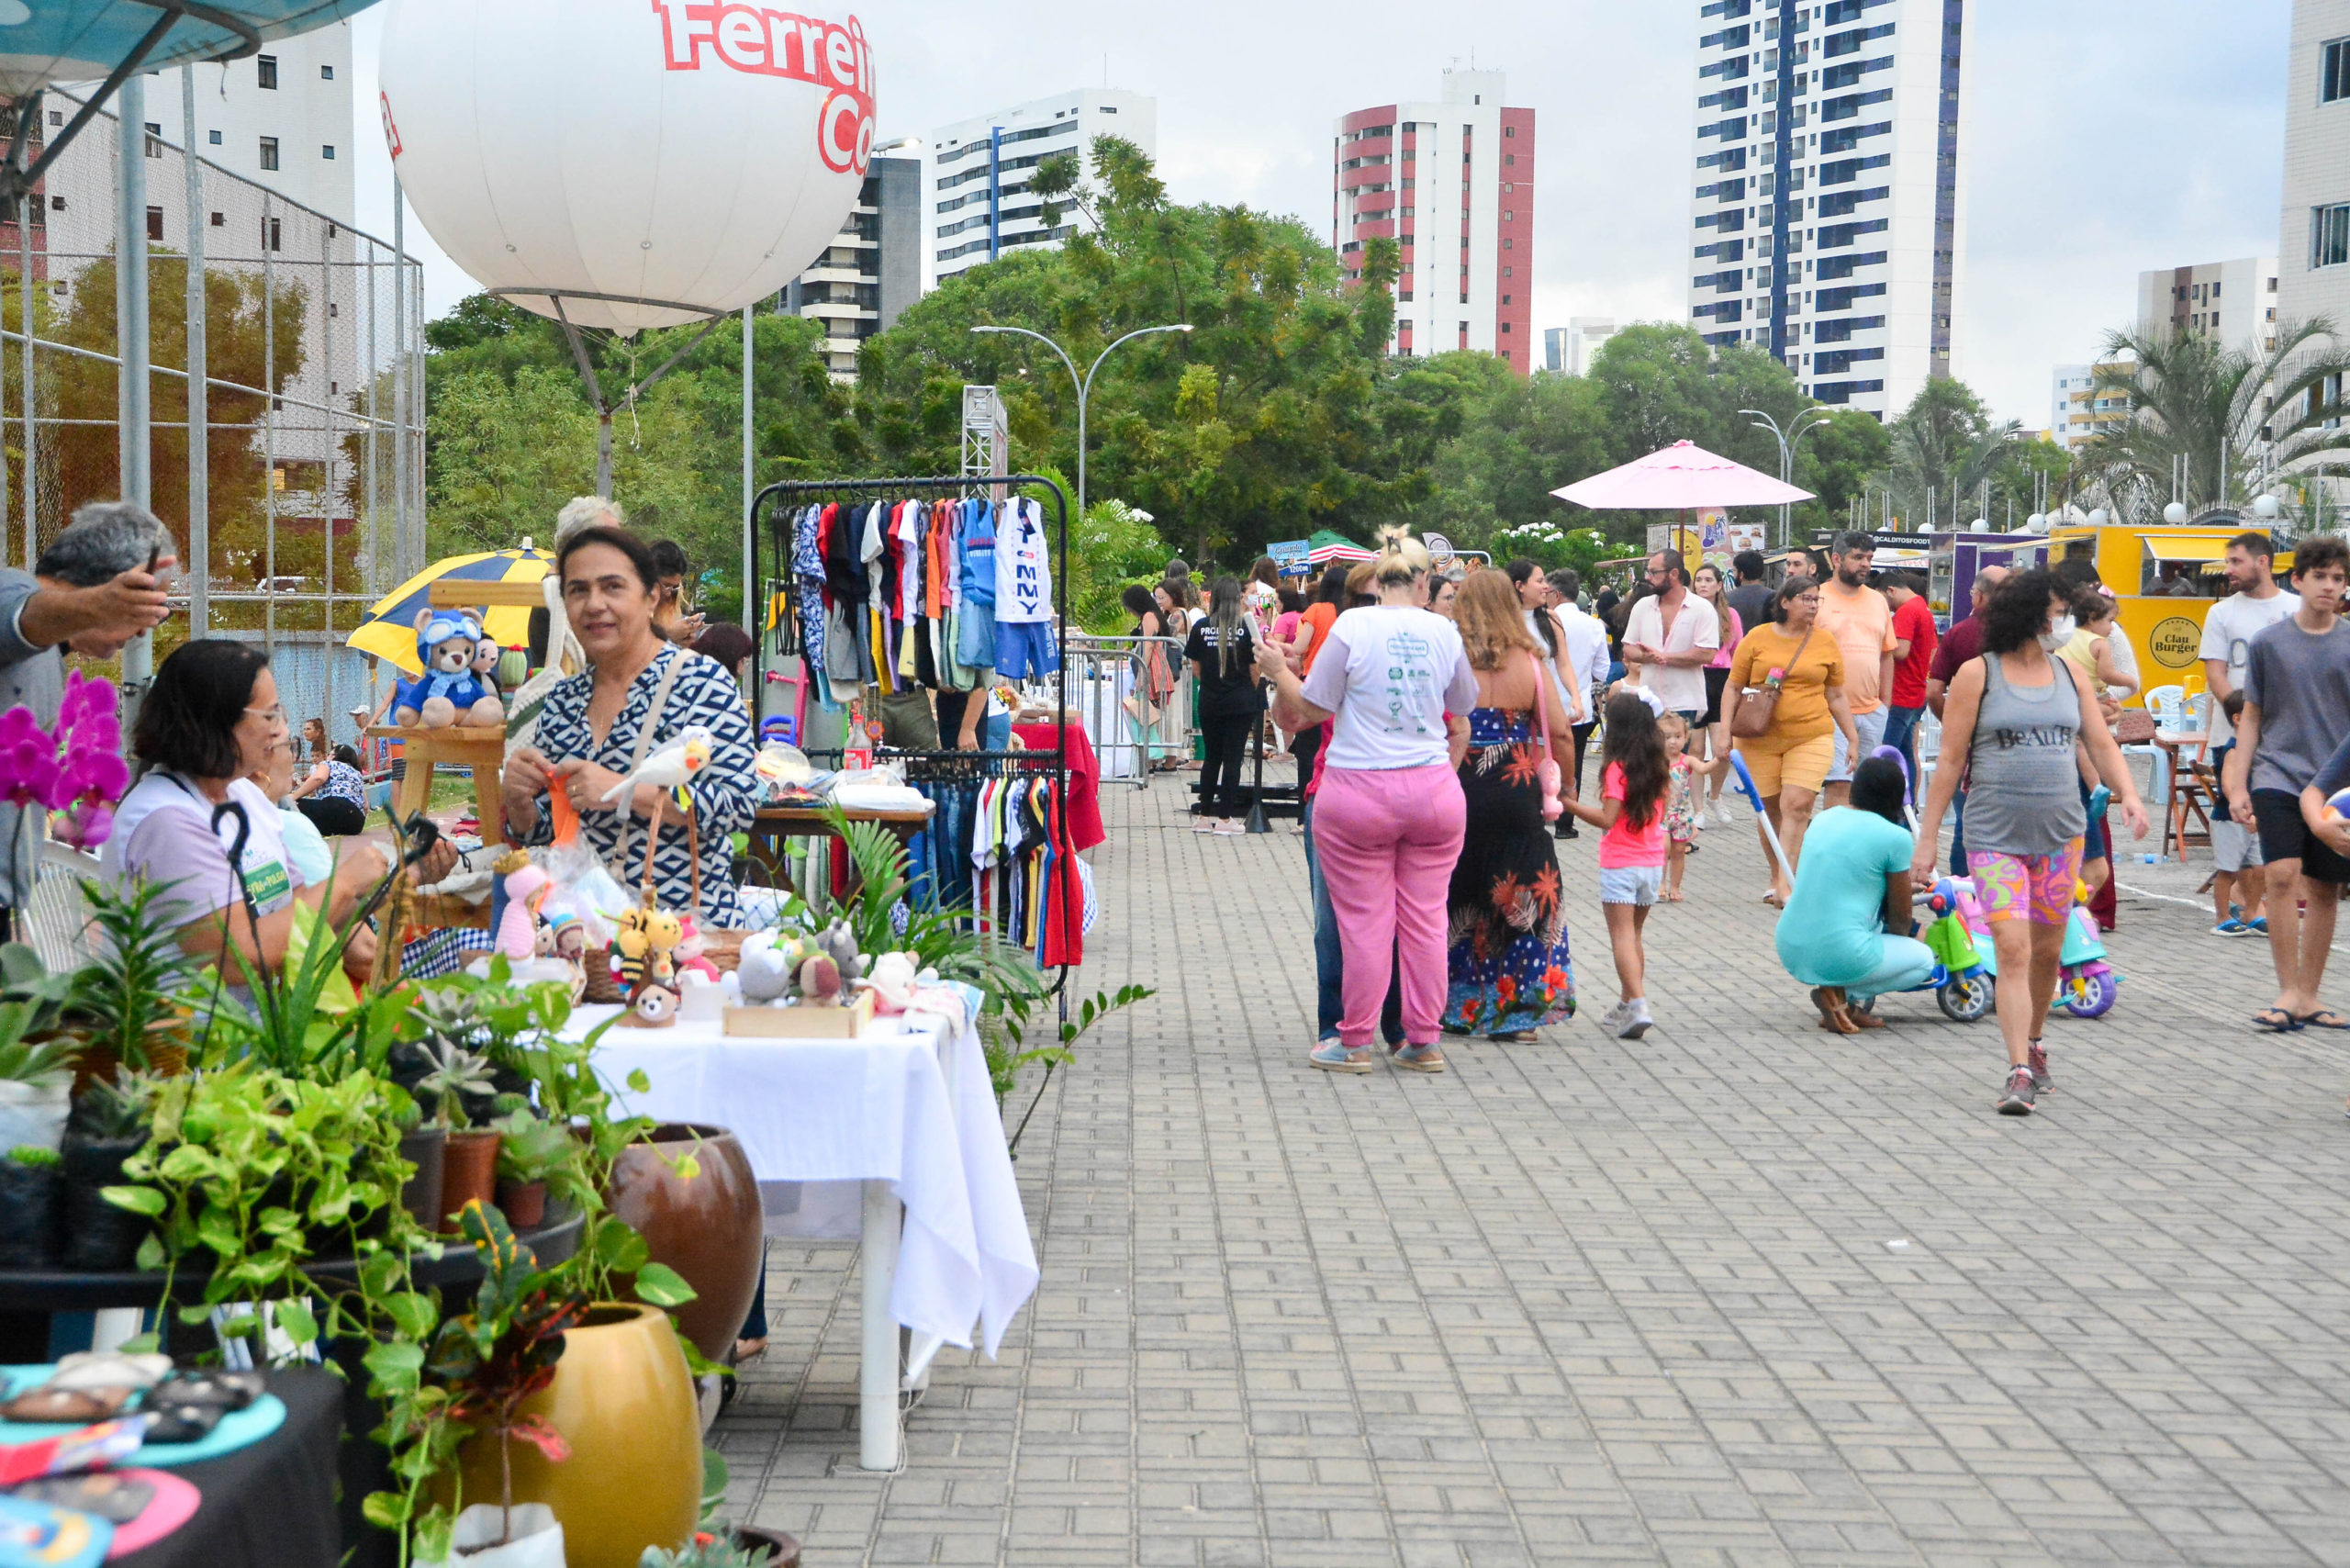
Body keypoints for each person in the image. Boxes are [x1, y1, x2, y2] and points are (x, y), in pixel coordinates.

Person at [1913, 569, 2150, 1114]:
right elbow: (1949, 761)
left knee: (2047, 952)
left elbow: (2099, 742)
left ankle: (2036, 1042)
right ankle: (2018, 1067)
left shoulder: (2070, 673)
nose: (2064, 622)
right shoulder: (1979, 674)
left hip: (2059, 836)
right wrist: (1927, 842)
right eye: (2058, 612)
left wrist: (2130, 794)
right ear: (2029, 615)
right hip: (1994, 834)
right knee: (2013, 950)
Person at [97, 640, 447, 990]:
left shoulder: (243, 795)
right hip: (194, 1038)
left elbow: (301, 913)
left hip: (261, 1026)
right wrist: (345, 881)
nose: (281, 729)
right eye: (270, 714)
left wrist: (401, 876)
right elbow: (238, 960)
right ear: (215, 721)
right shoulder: (166, 820)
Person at [1258, 531, 1474, 1073]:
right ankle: (1422, 1039)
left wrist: (1277, 670)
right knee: (1426, 920)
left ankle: (1353, 1041)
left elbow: (1312, 706)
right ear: (1426, 582)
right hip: (1432, 790)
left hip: (1358, 790)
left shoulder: (1353, 625)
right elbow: (1464, 702)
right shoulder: (1444, 630)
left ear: (1378, 581)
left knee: (1364, 923)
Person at [502, 527, 760, 925]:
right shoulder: (563, 701)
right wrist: (520, 806)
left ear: (651, 596)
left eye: (613, 587)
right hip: (584, 939)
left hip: (684, 941)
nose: (594, 604)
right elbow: (552, 835)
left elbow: (737, 807)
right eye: (578, 590)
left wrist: (625, 792)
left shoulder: (700, 683)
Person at [0, 500, 178, 918]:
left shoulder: (51, 660)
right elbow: (21, 618)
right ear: (104, 585)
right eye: (139, 606)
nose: (141, 629)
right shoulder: (10, 588)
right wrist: (95, 606)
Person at [1437, 571, 1578, 1041]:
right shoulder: (1532, 663)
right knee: (1523, 894)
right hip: (1516, 785)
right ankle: (1517, 1016)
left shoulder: (1448, 658)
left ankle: (1457, 1005)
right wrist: (1568, 789)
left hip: (1457, 781)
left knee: (1458, 891)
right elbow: (1558, 732)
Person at [2221, 534, 2350, 1032]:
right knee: (2280, 874)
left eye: (2338, 579)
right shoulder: (2268, 643)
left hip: (2335, 784)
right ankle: (2287, 990)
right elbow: (2251, 717)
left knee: (2324, 886)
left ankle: (2310, 996)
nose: (2330, 587)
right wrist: (2238, 784)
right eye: (2320, 576)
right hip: (2277, 774)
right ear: (2297, 580)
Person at [1722, 578, 1861, 907]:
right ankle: (1778, 875)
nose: (1813, 605)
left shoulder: (1825, 642)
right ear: (1784, 602)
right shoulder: (1757, 638)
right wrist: (1723, 731)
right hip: (1758, 738)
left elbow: (1837, 694)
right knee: (1770, 812)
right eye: (1806, 599)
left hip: (1810, 735)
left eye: (1817, 600)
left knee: (1797, 805)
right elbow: (1733, 687)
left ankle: (1788, 884)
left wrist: (1852, 737)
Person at [1777, 755, 1933, 1034]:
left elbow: (1845, 877)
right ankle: (1841, 994)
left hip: (1790, 943)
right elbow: (1899, 919)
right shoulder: (1895, 836)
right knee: (1923, 959)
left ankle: (1841, 1003)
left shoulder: (1825, 818)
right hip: (1841, 951)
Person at [1564, 690, 1671, 1039]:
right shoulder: (1659, 765)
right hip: (1652, 862)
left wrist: (1570, 804)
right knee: (1635, 935)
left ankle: (1638, 1003)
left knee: (1621, 937)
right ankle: (1627, 1002)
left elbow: (1608, 819)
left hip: (1620, 862)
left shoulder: (1616, 768)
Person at [1927, 564, 2007, 872]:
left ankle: (1963, 898)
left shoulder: (1960, 634)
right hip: (2016, 748)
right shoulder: (2029, 639)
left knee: (1966, 825)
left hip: (1970, 746)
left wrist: (1955, 725)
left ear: (1978, 597)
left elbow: (1934, 692)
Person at [1814, 532, 1897, 810]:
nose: (1865, 564)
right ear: (1837, 559)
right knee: (1839, 784)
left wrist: (1884, 704)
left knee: (1865, 788)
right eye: (1858, 557)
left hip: (1871, 712)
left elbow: (1887, 653)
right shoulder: (1818, 599)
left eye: (1869, 558)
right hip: (1830, 711)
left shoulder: (1877, 601)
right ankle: (1836, 850)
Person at [1184, 577, 1263, 835]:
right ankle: (1226, 817)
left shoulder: (1201, 627)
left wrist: (1212, 684)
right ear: (1237, 598)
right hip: (1240, 701)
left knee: (1212, 758)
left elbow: (1195, 667)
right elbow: (1255, 670)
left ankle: (1204, 816)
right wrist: (1249, 691)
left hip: (1210, 699)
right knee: (1233, 759)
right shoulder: (1245, 628)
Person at [2201, 532, 2299, 718]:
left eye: (2236, 561)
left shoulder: (2298, 608)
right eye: (2228, 562)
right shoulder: (2220, 612)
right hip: (2231, 730)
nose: (2228, 570)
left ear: (2262, 562)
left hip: (2286, 729)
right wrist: (2241, 716)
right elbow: (2215, 675)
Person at [1623, 553, 1720, 727]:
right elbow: (1628, 648)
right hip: (1648, 700)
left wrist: (1665, 658)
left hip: (1684, 701)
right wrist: (1649, 657)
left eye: (1654, 572)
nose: (1648, 577)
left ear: (1673, 574)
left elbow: (1707, 654)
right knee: (1646, 754)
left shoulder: (1701, 608)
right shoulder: (1642, 606)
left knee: (1677, 754)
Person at [1548, 569, 1610, 823]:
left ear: (1557, 594)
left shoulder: (1544, 621)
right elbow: (1602, 670)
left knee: (1543, 760)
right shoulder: (1594, 625)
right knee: (1574, 764)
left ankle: (1544, 812)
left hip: (1545, 705)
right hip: (1578, 706)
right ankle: (1567, 821)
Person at [2205, 690, 2268, 938]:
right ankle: (2222, 916)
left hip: (2252, 819)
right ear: (2238, 718)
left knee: (2260, 868)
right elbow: (2230, 787)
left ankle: (2251, 912)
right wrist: (2244, 812)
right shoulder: (2233, 749)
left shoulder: (2255, 747)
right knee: (2228, 871)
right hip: (2230, 820)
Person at [1691, 564, 1743, 823]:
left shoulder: (1730, 615)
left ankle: (1715, 795)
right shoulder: (1687, 612)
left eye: (1708, 580)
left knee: (1723, 748)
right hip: (1694, 678)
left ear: (1719, 585)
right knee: (1696, 749)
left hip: (1721, 679)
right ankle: (1698, 808)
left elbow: (1739, 651)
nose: (1702, 584)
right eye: (1698, 580)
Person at [1881, 571, 1938, 790]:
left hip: (1901, 694)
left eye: (1885, 601)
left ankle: (1891, 808)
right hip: (1915, 692)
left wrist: (1876, 644)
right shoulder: (1922, 607)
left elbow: (1901, 651)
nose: (1887, 608)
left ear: (1891, 591)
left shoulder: (1907, 611)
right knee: (1906, 754)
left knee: (1886, 755)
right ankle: (1908, 810)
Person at [1657, 712, 1700, 902]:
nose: (1672, 742)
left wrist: (1719, 759)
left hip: (1682, 816)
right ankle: (1660, 884)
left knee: (1679, 852)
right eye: (1666, 737)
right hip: (1661, 815)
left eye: (1677, 737)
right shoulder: (1657, 761)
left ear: (1686, 737)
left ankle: (1675, 886)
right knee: (1663, 849)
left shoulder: (1687, 761)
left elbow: (1704, 769)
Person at [288, 744, 370, 836]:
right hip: (356, 823)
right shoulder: (356, 773)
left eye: (329, 754)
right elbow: (366, 806)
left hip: (336, 807)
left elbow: (319, 778)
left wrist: (294, 796)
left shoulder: (328, 764)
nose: (327, 757)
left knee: (292, 804)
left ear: (334, 756)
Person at [649, 539, 706, 646]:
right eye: (665, 586)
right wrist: (667, 637)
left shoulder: (675, 618)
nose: (668, 593)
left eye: (675, 587)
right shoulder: (630, 613)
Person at [1726, 550, 1775, 645]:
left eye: (1734, 570)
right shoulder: (1775, 597)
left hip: (1737, 651)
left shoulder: (1726, 598)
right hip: (1767, 649)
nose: (1733, 574)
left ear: (1741, 574)